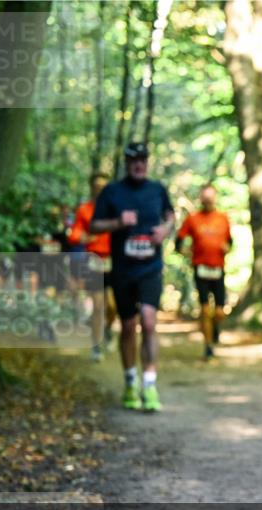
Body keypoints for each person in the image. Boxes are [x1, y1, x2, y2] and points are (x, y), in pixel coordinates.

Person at [91, 142, 175, 411]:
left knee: (149, 322)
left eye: (143, 159)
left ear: (147, 162)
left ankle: (149, 386)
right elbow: (94, 225)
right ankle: (130, 382)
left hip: (150, 269)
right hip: (123, 271)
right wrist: (118, 222)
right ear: (127, 163)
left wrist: (165, 230)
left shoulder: (157, 189)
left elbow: (170, 216)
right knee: (128, 326)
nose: (139, 164)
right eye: (134, 160)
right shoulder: (112, 192)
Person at [175, 184, 232, 360]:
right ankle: (208, 347)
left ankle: (215, 328)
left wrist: (227, 248)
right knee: (206, 310)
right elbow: (178, 241)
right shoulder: (193, 219)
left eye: (211, 198)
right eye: (205, 198)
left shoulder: (223, 218)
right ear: (201, 199)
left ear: (215, 198)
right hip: (200, 269)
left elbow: (230, 241)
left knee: (219, 312)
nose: (208, 201)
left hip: (218, 269)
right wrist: (184, 252)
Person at [70, 172, 116, 361]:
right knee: (97, 305)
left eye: (103, 187)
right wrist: (84, 237)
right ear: (92, 189)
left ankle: (108, 328)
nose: (100, 190)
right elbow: (74, 233)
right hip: (94, 261)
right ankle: (96, 345)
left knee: (112, 305)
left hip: (114, 262)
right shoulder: (84, 210)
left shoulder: (115, 209)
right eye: (97, 187)